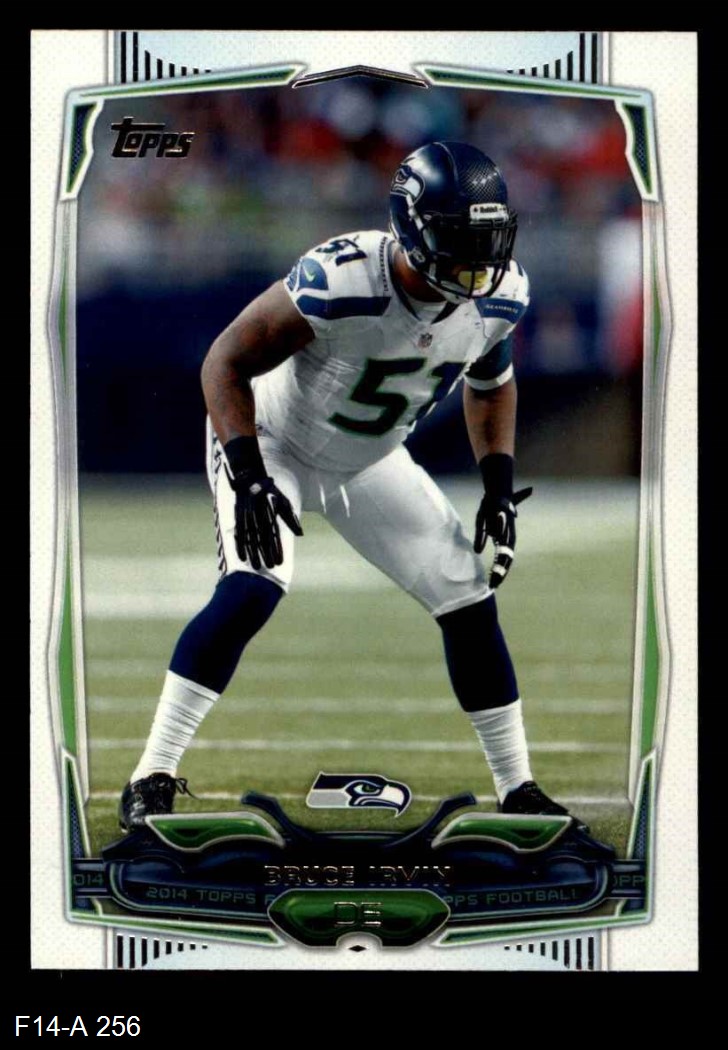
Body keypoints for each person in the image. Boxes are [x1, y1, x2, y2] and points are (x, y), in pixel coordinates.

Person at [119, 140, 586, 833]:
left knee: (467, 597)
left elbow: (492, 384)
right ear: (412, 228)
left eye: (487, 239)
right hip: (273, 441)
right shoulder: (342, 280)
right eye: (460, 239)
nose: (479, 260)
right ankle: (150, 774)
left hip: (369, 460)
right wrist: (247, 472)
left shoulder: (501, 294)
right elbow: (225, 361)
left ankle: (519, 789)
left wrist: (497, 481)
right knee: (253, 586)